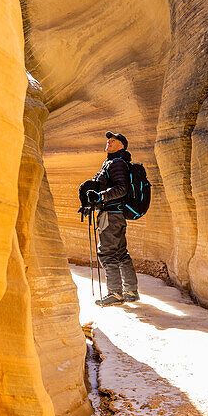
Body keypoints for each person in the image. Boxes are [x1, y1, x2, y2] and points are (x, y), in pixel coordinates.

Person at [82, 131, 140, 306]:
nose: (108, 142)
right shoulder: (113, 162)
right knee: (121, 253)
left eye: (113, 140)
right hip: (117, 214)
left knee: (107, 253)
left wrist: (100, 197)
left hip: (111, 215)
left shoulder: (116, 163)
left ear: (122, 145)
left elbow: (121, 188)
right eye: (108, 140)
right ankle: (130, 291)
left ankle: (115, 293)